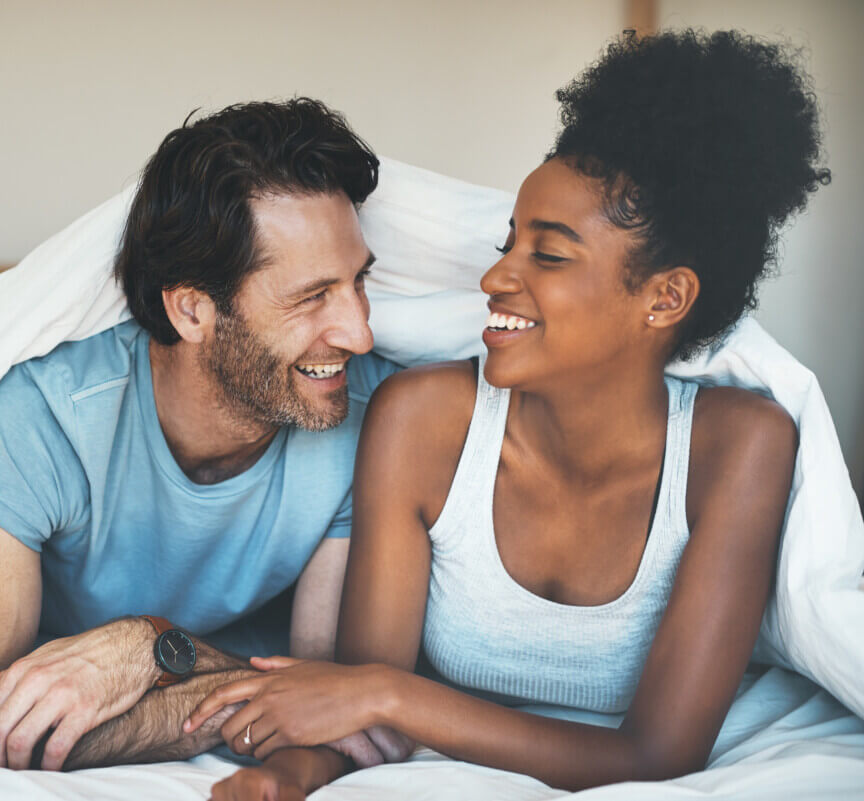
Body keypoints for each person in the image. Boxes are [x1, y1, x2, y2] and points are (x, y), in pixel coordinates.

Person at [187, 30, 831, 797]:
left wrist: (390, 696)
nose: (495, 277)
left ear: (666, 297)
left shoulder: (739, 447)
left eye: (548, 255)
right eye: (507, 243)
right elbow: (355, 706)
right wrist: (289, 774)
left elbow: (658, 755)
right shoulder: (423, 419)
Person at [0, 98, 403, 774]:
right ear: (191, 309)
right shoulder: (44, 422)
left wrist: (151, 650)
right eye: (311, 297)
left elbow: (328, 705)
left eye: (359, 282)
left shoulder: (370, 416)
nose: (360, 333)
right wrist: (208, 676)